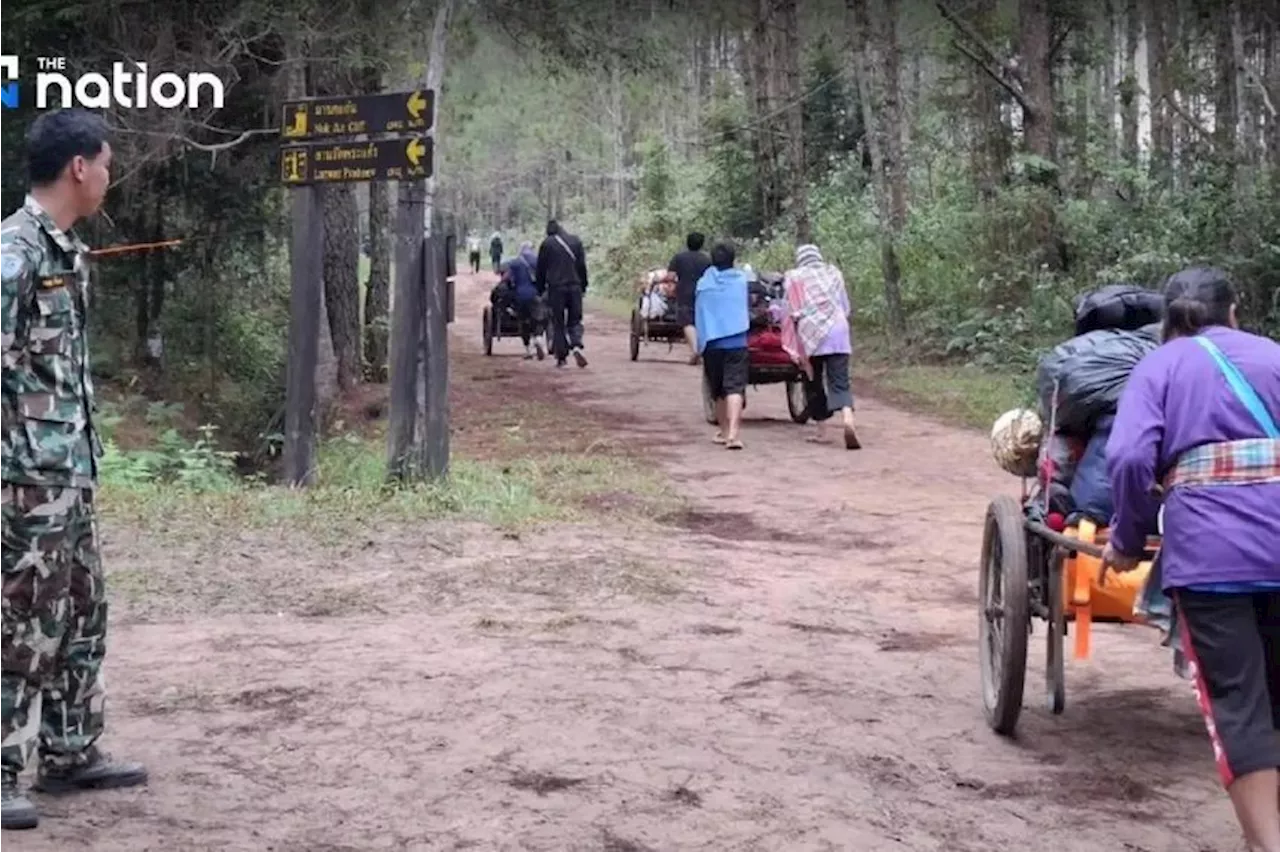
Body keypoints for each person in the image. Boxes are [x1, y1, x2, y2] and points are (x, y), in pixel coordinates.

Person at [0, 109, 147, 832]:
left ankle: (67, 750)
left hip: (67, 475)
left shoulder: (65, 251)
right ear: (79, 168)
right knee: (19, 622)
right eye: (108, 164)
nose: (110, 178)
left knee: (82, 610)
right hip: (22, 480)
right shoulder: (14, 253)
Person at [1103, 266, 1280, 852]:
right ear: (1234, 312)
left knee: (1239, 700)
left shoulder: (1160, 366)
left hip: (1212, 561)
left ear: (1168, 322)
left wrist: (1127, 539)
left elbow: (1129, 458)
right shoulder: (1273, 356)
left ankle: (1266, 842)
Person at [778, 244, 860, 449]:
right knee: (840, 381)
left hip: (811, 336)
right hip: (838, 331)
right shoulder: (834, 274)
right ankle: (848, 419)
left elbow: (791, 309)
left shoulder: (794, 277)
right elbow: (845, 306)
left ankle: (822, 431)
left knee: (813, 382)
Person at [694, 242, 750, 450]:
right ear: (733, 260)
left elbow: (699, 314)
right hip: (737, 341)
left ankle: (724, 431)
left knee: (718, 390)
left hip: (712, 343)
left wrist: (699, 346)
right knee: (735, 387)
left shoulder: (704, 284)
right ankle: (734, 435)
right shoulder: (741, 280)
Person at [535, 219, 589, 368]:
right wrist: (583, 285)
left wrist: (540, 290)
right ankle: (577, 345)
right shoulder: (575, 241)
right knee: (575, 319)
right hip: (574, 286)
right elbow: (581, 266)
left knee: (558, 323)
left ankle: (562, 357)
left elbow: (541, 270)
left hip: (556, 288)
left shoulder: (547, 244)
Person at [496, 241, 546, 359]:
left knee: (524, 322)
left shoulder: (515, 262)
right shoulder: (538, 261)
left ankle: (528, 350)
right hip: (535, 295)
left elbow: (506, 278)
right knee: (539, 319)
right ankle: (538, 338)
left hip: (520, 296)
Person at [667, 231, 711, 364]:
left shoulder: (679, 257)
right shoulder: (707, 259)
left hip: (684, 292)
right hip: (703, 292)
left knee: (687, 321)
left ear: (687, 243)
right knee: (701, 321)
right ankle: (701, 349)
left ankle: (695, 350)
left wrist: (671, 287)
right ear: (702, 244)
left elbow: (670, 277)